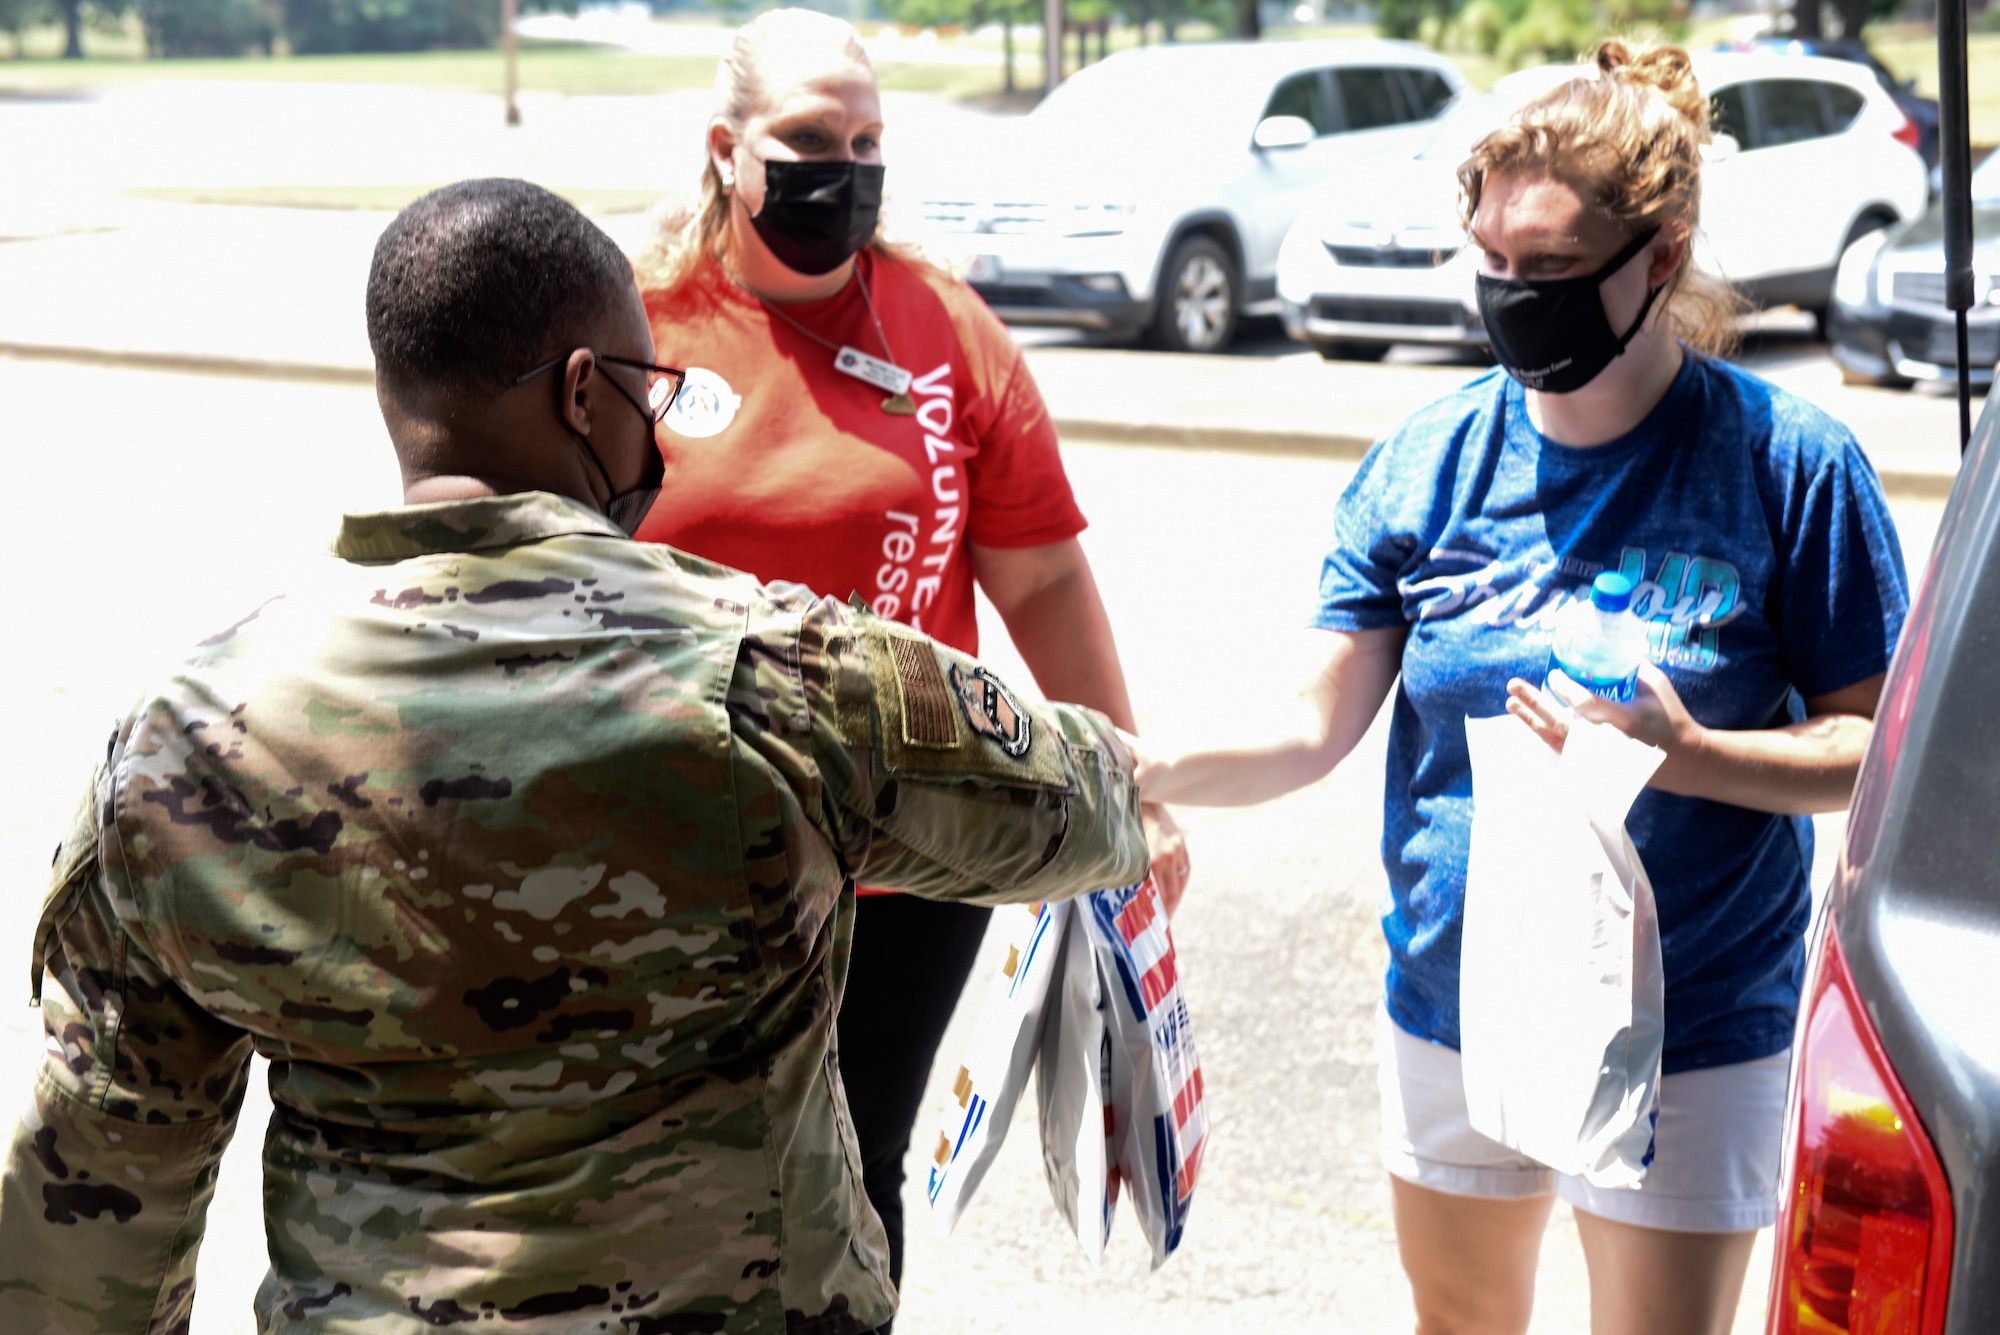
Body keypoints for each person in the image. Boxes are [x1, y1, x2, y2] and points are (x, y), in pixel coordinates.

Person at [0, 178, 1149, 1335]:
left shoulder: (185, 743)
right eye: (648, 395)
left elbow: (91, 1213)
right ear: (585, 394)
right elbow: (1083, 805)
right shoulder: (777, 675)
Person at [1129, 41, 1908, 1335]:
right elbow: (1311, 724)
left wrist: (1689, 751)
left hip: (1694, 1018)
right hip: (1457, 998)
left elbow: (1877, 752)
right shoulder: (1424, 462)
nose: (1510, 294)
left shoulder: (1789, 464)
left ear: (1659, 255)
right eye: (1491, 262)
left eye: (1548, 270)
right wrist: (1134, 764)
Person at [627, 9, 1186, 1305]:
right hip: (671, 840)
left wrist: (1128, 788)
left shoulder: (944, 327)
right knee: (673, 1165)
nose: (848, 168)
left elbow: (1039, 574)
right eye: (812, 139)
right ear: (727, 148)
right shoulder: (637, 322)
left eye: (869, 139)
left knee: (851, 1162)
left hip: (906, 851)